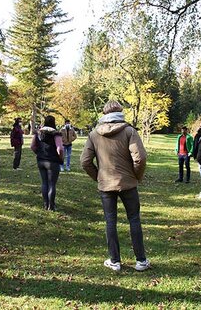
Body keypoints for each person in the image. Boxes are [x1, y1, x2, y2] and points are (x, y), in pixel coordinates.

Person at [80, 100, 149, 272]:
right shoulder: (129, 131)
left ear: (104, 113)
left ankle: (115, 261)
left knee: (110, 221)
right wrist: (136, 176)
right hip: (128, 183)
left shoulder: (94, 134)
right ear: (120, 112)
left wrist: (99, 177)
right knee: (134, 219)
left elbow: (85, 161)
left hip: (106, 184)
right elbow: (139, 158)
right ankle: (140, 260)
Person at [31, 116, 64, 211]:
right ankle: (51, 206)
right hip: (52, 161)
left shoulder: (38, 133)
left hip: (41, 160)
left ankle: (46, 204)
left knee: (44, 183)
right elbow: (60, 149)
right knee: (52, 184)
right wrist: (61, 158)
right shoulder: (56, 134)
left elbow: (32, 146)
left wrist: (39, 153)